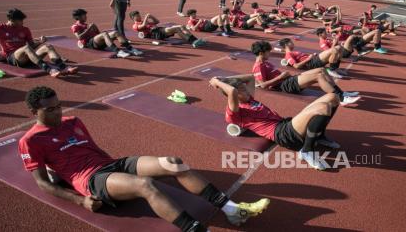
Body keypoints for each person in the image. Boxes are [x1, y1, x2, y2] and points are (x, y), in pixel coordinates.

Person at [19, 86, 270, 232]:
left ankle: (231, 209)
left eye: (59, 105)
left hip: (110, 165)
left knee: (174, 162)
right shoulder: (30, 141)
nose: (58, 111)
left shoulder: (72, 122)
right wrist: (80, 200)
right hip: (92, 180)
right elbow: (42, 183)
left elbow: (93, 148)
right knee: (144, 185)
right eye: (50, 109)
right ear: (34, 112)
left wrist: (120, 170)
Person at [210, 75, 341, 170]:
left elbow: (250, 77)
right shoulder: (234, 113)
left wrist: (224, 78)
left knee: (333, 97)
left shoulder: (248, 99)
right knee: (323, 108)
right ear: (232, 95)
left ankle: (319, 136)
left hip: (285, 123)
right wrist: (216, 81)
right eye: (242, 90)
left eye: (244, 88)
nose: (246, 91)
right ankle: (307, 150)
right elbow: (231, 91)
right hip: (282, 134)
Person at [250, 41, 360, 107]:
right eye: (268, 52)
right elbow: (263, 85)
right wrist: (281, 76)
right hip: (285, 85)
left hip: (288, 79)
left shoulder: (265, 63)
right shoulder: (258, 66)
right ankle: (340, 99)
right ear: (261, 53)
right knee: (318, 76)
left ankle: (341, 93)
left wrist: (283, 76)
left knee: (321, 70)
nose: (269, 53)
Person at [0, 8, 77, 78]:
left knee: (48, 46)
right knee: (26, 48)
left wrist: (40, 41)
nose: (22, 22)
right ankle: (50, 70)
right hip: (12, 57)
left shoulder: (25, 29)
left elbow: (31, 44)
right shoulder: (0, 28)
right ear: (11, 20)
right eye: (20, 20)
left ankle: (63, 67)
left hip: (28, 55)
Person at [71, 9, 140, 58]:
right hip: (89, 44)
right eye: (84, 15)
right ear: (78, 17)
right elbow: (79, 37)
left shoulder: (86, 25)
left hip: (97, 42)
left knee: (115, 32)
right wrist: (89, 29)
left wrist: (95, 28)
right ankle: (118, 52)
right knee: (104, 34)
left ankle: (130, 48)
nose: (86, 17)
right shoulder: (75, 26)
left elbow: (98, 34)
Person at [129, 11, 206, 48]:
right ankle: (192, 42)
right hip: (155, 33)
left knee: (182, 26)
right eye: (137, 16)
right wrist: (146, 18)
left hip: (159, 29)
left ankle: (195, 40)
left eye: (139, 15)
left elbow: (157, 22)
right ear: (133, 18)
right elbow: (143, 26)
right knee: (177, 29)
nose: (139, 16)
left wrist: (151, 16)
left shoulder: (143, 21)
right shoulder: (135, 25)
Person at [278, 38, 343, 78]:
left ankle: (335, 68)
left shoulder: (294, 52)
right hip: (311, 63)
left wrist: (312, 55)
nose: (293, 43)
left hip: (314, 59)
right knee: (334, 50)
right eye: (291, 42)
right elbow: (296, 66)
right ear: (286, 45)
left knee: (339, 48)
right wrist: (308, 59)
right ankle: (331, 70)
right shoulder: (288, 54)